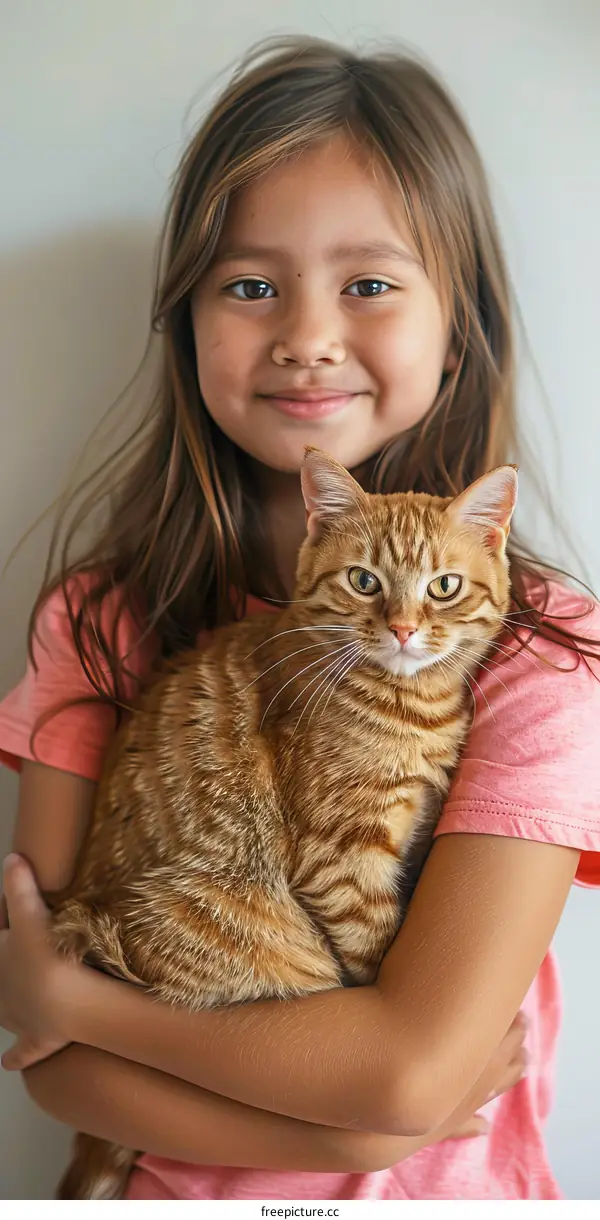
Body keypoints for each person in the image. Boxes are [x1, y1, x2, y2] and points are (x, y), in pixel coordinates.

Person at [0, 36, 599, 1202]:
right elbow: (53, 1063)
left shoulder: (537, 649)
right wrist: (363, 1124)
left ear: (459, 317)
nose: (308, 336)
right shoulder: (102, 620)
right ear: (185, 319)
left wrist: (73, 999)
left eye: (369, 282)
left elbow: (411, 1072)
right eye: (251, 283)